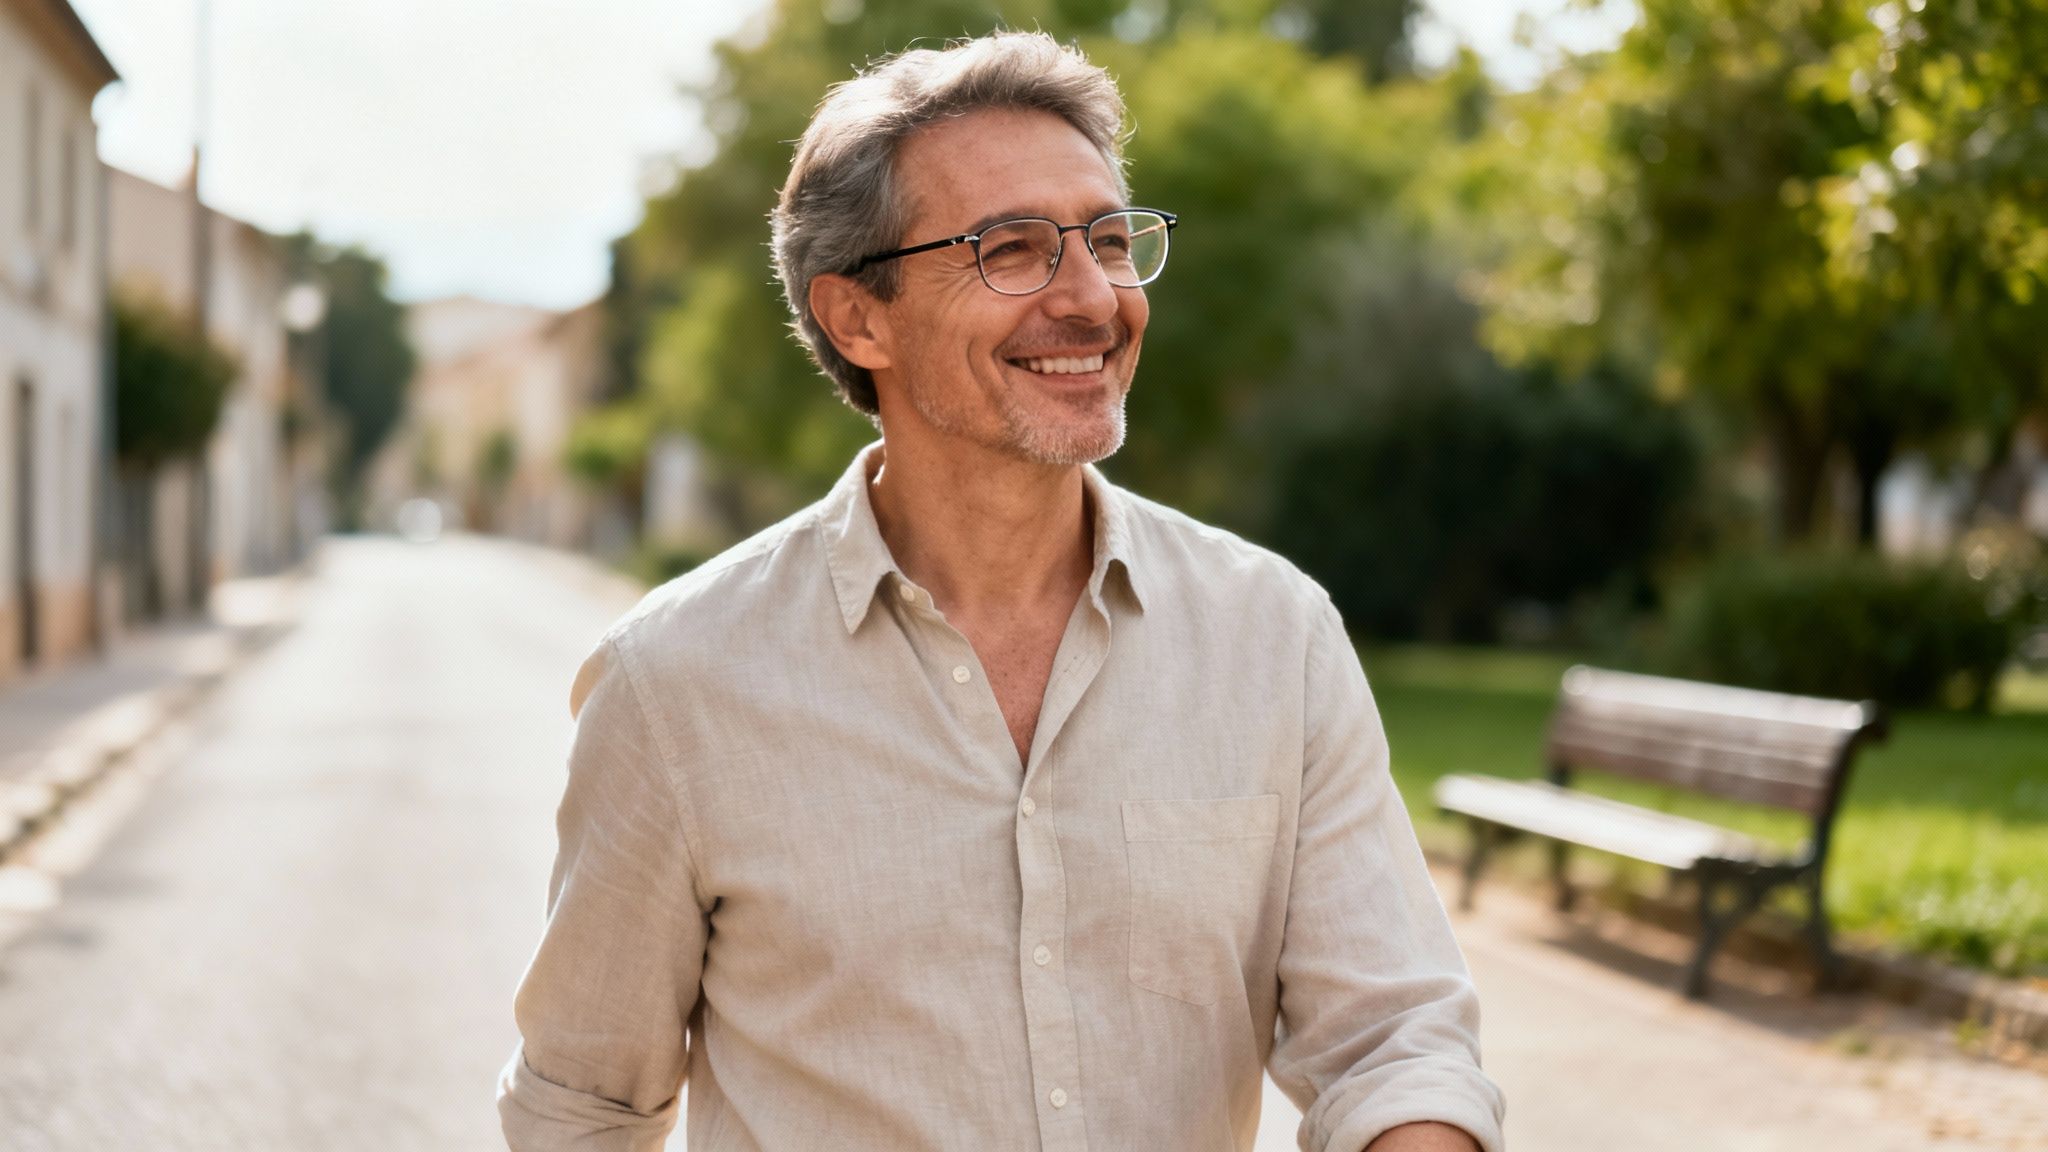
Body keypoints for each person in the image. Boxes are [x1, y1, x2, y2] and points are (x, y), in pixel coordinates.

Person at [498, 30, 1504, 1152]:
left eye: (1110, 240)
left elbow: (1391, 1039)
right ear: (857, 317)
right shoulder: (675, 684)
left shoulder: (1272, 636)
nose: (1092, 298)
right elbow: (580, 1109)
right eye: (1011, 250)